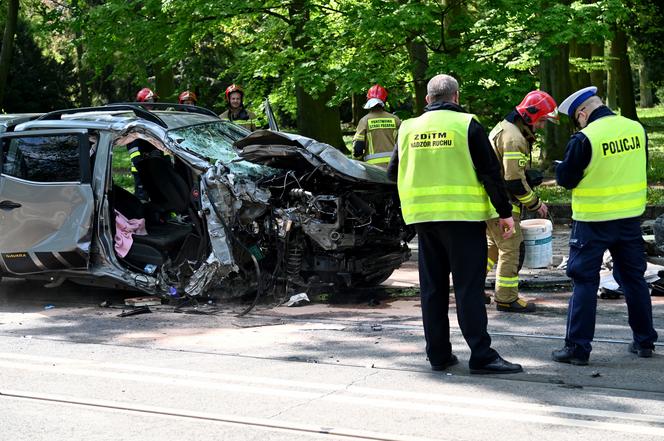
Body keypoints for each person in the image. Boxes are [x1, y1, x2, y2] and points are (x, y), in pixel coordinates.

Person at [386, 74, 523, 374]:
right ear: (456, 97)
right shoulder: (466, 125)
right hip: (463, 220)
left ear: (427, 100)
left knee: (432, 289)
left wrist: (401, 215)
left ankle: (438, 354)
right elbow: (490, 172)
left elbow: (392, 175)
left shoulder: (407, 128)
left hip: (424, 220)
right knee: (468, 288)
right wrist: (505, 212)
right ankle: (481, 355)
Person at [552, 86, 658, 365]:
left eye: (577, 117)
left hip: (593, 222)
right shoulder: (635, 129)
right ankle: (644, 341)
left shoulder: (585, 138)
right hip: (629, 219)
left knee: (585, 281)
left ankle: (577, 349)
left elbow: (566, 179)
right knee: (634, 279)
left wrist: (560, 167)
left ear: (583, 112)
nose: (579, 122)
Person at [485, 90, 558, 313]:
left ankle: (472, 288)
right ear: (531, 116)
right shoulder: (514, 138)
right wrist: (536, 204)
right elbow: (514, 182)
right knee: (510, 248)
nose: (543, 126)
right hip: (503, 205)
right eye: (543, 121)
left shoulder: (505, 128)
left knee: (492, 249)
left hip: (491, 202)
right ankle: (506, 297)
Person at [352, 84, 401, 167]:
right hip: (394, 165)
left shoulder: (364, 121)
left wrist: (358, 160)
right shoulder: (395, 120)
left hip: (373, 168)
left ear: (368, 99)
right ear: (385, 100)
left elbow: (358, 148)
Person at [128, 88, 162, 199]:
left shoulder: (155, 120)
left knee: (159, 194)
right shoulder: (136, 121)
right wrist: (139, 160)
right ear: (141, 104)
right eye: (148, 102)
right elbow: (132, 145)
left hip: (156, 164)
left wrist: (163, 158)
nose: (151, 105)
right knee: (143, 196)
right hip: (140, 166)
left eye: (152, 102)